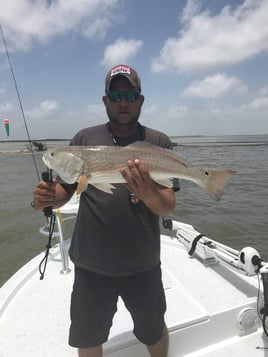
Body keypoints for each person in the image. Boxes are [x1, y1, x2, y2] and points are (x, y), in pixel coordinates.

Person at [33, 64, 177, 357]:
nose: (123, 101)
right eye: (115, 94)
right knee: (88, 337)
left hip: (143, 262)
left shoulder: (158, 142)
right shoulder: (84, 139)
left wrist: (148, 192)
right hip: (91, 263)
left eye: (130, 94)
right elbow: (67, 190)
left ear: (141, 99)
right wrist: (48, 197)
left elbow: (167, 205)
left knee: (153, 330)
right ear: (105, 99)